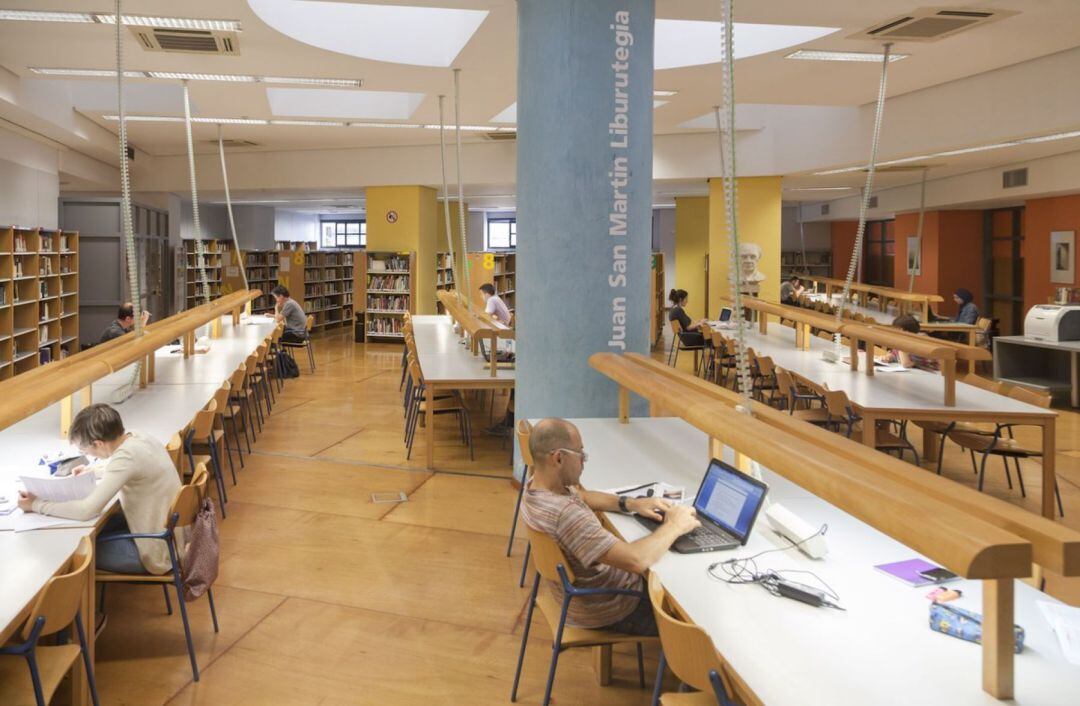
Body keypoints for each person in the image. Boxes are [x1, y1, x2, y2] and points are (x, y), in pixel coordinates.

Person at [521, 418, 700, 635]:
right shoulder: (566, 515)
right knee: (692, 610)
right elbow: (636, 560)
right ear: (559, 458)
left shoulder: (537, 488)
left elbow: (583, 496)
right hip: (611, 606)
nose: (584, 463)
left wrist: (631, 503)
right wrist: (675, 525)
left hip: (576, 598)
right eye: (581, 456)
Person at [17, 404, 182, 575]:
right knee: (95, 530)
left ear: (98, 443)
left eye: (84, 450)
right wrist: (94, 471)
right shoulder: (137, 436)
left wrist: (36, 504)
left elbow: (86, 510)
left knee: (71, 549)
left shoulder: (126, 458)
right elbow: (129, 466)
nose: (87, 455)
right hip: (170, 538)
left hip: (157, 553)